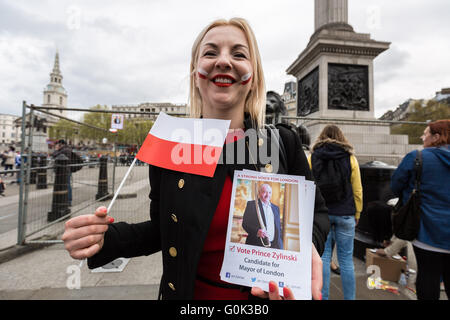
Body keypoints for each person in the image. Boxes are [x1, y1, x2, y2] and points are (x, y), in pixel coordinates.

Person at [62, 18, 329, 300]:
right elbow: (162, 229)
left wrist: (307, 246)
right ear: (195, 75)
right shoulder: (173, 146)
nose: (224, 61)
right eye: (211, 52)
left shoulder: (283, 143)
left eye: (238, 54)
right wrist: (104, 239)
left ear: (255, 77)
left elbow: (318, 215)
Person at [391, 119, 450, 300]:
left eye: (425, 134)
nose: (422, 137)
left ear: (437, 137)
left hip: (426, 231)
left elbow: (395, 186)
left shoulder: (418, 157)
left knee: (427, 276)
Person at [308, 124, 363, 300]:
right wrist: (358, 212)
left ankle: (322, 297)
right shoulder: (350, 158)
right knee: (346, 260)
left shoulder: (312, 157)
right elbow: (357, 190)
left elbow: (307, 185)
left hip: (320, 215)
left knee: (323, 258)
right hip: (345, 213)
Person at [242, 183, 283, 249]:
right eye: (264, 192)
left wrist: (280, 246)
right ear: (259, 193)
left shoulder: (276, 208)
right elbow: (245, 224)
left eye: (269, 192)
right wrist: (257, 232)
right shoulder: (252, 205)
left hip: (274, 246)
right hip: (256, 245)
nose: (267, 195)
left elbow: (278, 229)